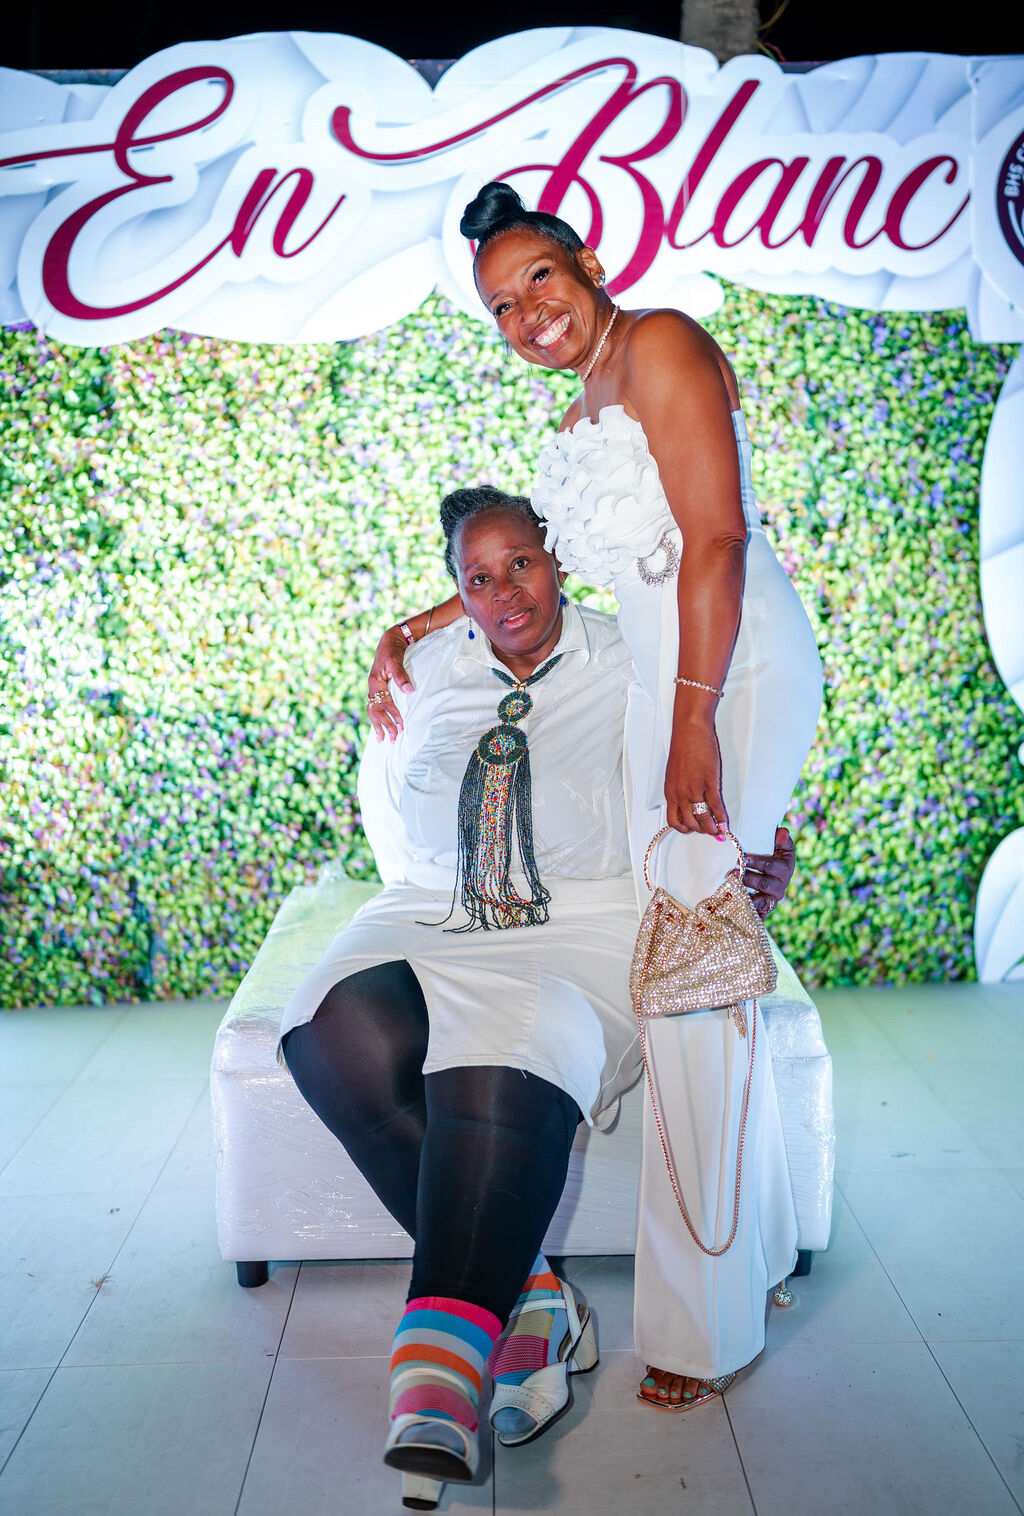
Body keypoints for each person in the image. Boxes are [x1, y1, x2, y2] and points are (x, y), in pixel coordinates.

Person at [366, 183, 824, 1412]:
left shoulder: (660, 341)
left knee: (687, 973)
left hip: (724, 664)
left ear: (588, 265)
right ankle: (757, 1252)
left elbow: (715, 541)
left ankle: (705, 1328)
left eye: (540, 280)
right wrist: (413, 626)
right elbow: (549, 554)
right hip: (675, 669)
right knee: (699, 957)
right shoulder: (581, 404)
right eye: (501, 305)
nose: (527, 313)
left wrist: (693, 726)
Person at [282, 488, 798, 1506]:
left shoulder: (631, 654)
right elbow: (446, 658)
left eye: (522, 563)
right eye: (478, 578)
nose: (505, 592)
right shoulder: (429, 665)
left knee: (504, 1063)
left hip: (582, 919)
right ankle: (532, 1301)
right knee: (329, 1031)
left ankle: (437, 1376)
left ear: (558, 558)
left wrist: (748, 850)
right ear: (455, 591)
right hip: (431, 907)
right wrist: (413, 629)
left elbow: (729, 734)